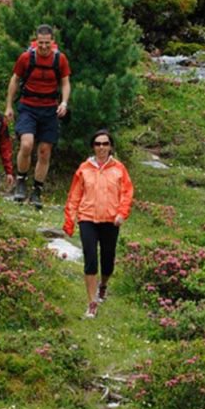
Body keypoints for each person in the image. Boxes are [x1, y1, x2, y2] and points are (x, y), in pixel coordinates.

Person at [63, 129, 134, 319]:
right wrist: (70, 221)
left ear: (110, 146)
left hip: (111, 220)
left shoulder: (119, 168)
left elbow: (127, 193)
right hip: (87, 219)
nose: (101, 147)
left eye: (105, 144)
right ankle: (92, 302)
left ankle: (103, 285)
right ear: (93, 147)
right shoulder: (84, 168)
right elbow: (74, 195)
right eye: (98, 144)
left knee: (108, 260)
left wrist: (121, 214)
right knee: (90, 259)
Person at [5, 24, 71, 209]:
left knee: (44, 151)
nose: (43, 47)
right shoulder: (26, 58)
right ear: (36, 41)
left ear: (52, 42)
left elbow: (65, 83)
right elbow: (15, 80)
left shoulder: (60, 60)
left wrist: (64, 102)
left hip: (50, 108)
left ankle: (37, 191)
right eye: (40, 43)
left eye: (47, 43)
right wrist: (9, 105)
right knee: (26, 144)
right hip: (28, 106)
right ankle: (21, 182)